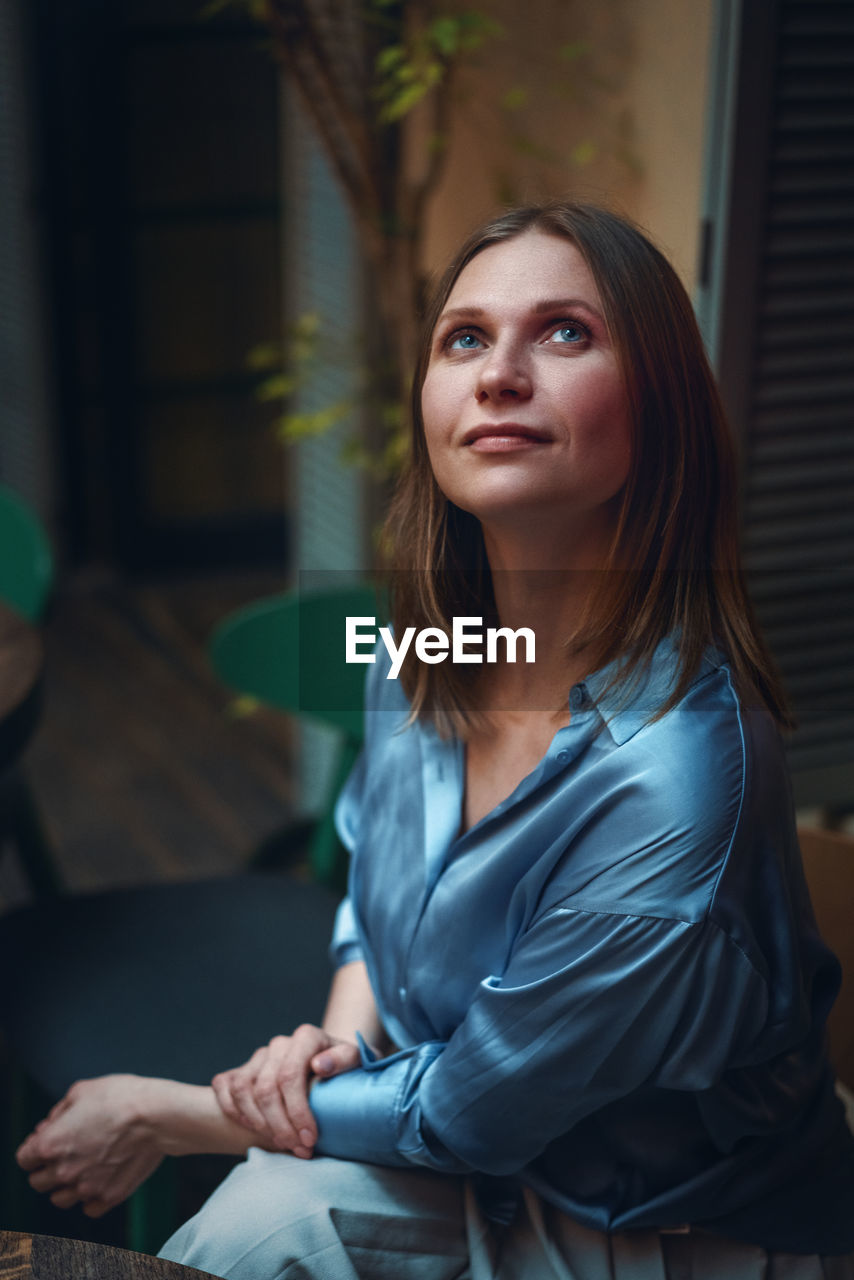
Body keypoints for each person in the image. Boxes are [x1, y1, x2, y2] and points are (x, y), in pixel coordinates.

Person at [17, 203, 854, 1278]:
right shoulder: (420, 650)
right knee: (255, 1221)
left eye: (564, 333)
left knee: (254, 1215)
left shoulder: (674, 770)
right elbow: (374, 898)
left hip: (668, 1227)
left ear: (663, 409)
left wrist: (166, 1113)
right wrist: (330, 1044)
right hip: (474, 1140)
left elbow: (473, 1112)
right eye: (463, 337)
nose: (497, 373)